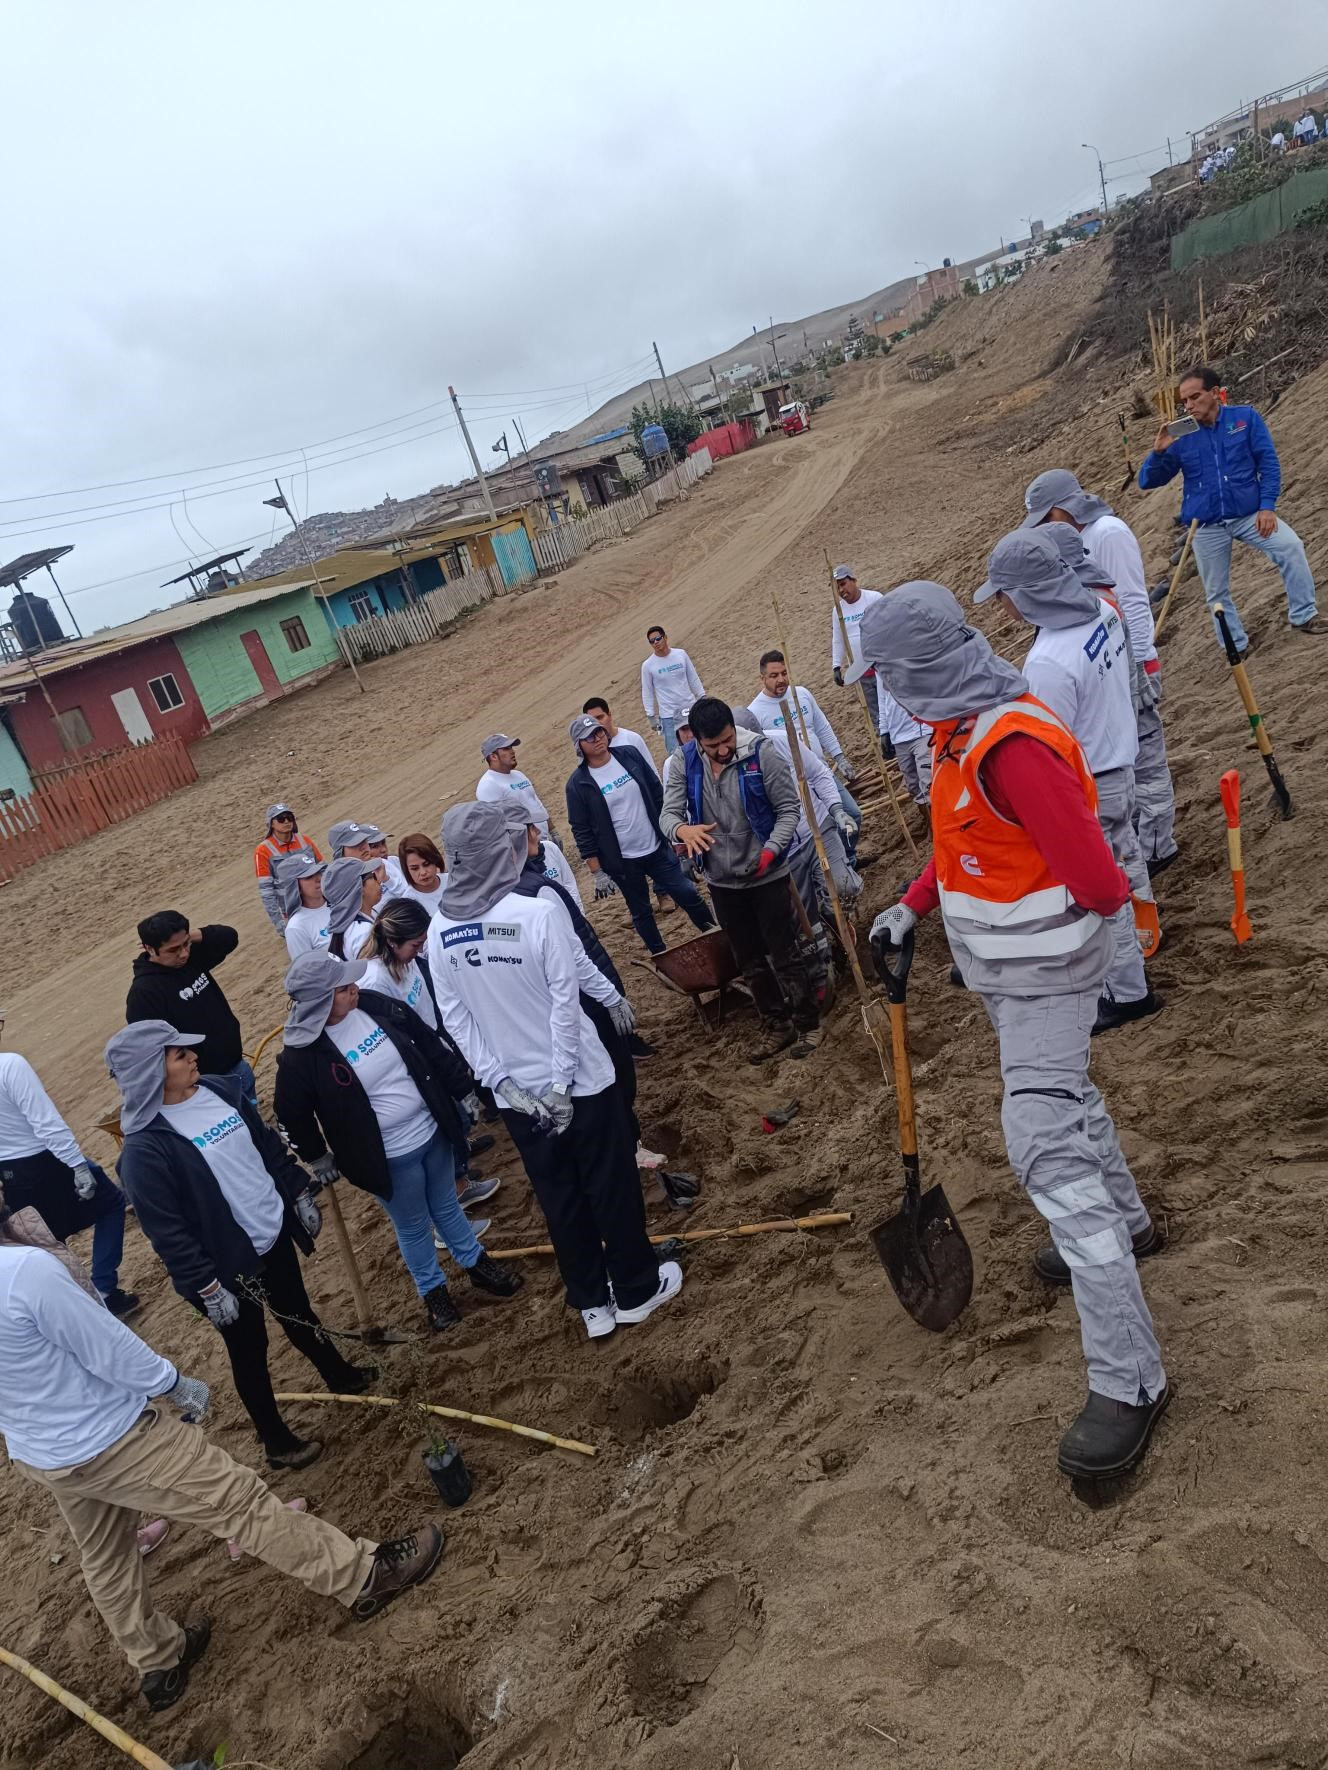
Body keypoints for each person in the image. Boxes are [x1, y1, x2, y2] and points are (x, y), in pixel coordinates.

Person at [862, 582, 1168, 1479]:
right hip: (1007, 978)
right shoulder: (962, 732)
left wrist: (1075, 928)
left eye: (891, 678)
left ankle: (1132, 1377)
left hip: (1046, 979)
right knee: (1069, 1103)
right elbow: (969, 845)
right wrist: (913, 904)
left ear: (922, 670)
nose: (891, 697)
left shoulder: (1014, 746)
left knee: (1045, 1150)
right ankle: (1136, 1226)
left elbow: (1103, 881)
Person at [0, 1227, 441, 1713]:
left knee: (105, 1555)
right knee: (241, 1504)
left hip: (43, 1453)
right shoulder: (25, 1272)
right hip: (112, 1439)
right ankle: (361, 1576)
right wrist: (170, 1382)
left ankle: (158, 1660)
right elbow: (104, 1344)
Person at [427, 802, 681, 1339]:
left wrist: (501, 1083)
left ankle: (591, 1302)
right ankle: (636, 1290)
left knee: (559, 1195)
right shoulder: (534, 911)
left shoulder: (439, 929)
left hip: (519, 1098)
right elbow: (565, 1005)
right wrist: (563, 1082)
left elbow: (457, 1021)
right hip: (580, 1082)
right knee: (610, 1185)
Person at [108, 1020, 375, 1471]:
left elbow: (266, 1144)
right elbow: (168, 1233)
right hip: (227, 1266)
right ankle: (276, 1440)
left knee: (299, 1312)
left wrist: (297, 1191)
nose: (194, 1056)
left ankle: (341, 1376)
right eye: (179, 1055)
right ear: (149, 1072)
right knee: (249, 1350)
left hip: (269, 1233)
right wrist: (207, 1287)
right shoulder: (144, 1152)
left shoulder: (218, 1089)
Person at [274, 953, 523, 1334]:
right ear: (318, 1002)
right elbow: (291, 1114)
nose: (353, 990)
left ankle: (477, 1265)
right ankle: (434, 1294)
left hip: (431, 1130)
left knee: (446, 1204)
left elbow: (428, 1043)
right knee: (412, 1226)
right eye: (342, 989)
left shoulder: (376, 1006)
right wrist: (316, 1155)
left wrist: (462, 1089)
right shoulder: (301, 1057)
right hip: (387, 1156)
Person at [978, 529, 1162, 1033]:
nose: (1000, 608)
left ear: (1025, 594)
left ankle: (1128, 993)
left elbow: (1047, 753)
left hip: (1093, 784)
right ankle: (1147, 938)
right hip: (1120, 761)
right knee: (1127, 862)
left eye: (1003, 596)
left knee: (1100, 896)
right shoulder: (1101, 612)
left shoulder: (1047, 664)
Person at [1022, 467, 1179, 875]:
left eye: (1044, 519)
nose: (1041, 528)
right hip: (1111, 661)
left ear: (1061, 509)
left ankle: (1159, 844)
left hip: (1132, 661)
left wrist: (1142, 665)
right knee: (1129, 754)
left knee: (1145, 757)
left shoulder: (1107, 533)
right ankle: (1144, 840)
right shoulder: (1075, 539)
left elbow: (1132, 600)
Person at [661, 696, 821, 1061]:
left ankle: (808, 1023)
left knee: (785, 952)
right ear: (697, 740)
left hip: (766, 874)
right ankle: (776, 1024)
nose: (723, 749)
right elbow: (667, 815)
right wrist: (682, 831)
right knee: (748, 958)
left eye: (727, 739)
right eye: (713, 744)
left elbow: (788, 809)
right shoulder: (682, 764)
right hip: (722, 880)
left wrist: (771, 850)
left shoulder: (761, 753)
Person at [1138, 364, 1324, 649]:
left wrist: (1267, 507)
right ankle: (1235, 646)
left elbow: (1269, 464)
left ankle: (1304, 615)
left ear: (1215, 393)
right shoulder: (1181, 434)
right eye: (1184, 401)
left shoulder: (1245, 418)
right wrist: (1158, 452)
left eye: (1194, 397)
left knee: (1291, 547)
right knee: (1216, 593)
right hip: (1205, 525)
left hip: (1250, 514)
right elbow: (1148, 481)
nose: (1189, 405)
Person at [355, 900, 504, 1225]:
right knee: (445, 1126)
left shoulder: (406, 962)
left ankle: (460, 1184)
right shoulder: (374, 982)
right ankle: (450, 1200)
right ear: (393, 943)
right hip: (418, 1065)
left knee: (457, 1122)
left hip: (435, 1048)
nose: (420, 950)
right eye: (416, 945)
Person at [0, 1038, 137, 1317]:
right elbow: (45, 1121)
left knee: (49, 1241)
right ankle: (104, 1291)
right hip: (45, 1160)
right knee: (111, 1204)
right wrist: (77, 1164)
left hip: (11, 1173)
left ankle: (81, 1306)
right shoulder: (9, 1065)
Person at [564, 713, 715, 955]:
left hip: (656, 846)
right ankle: (661, 956)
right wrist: (597, 871)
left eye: (599, 732)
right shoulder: (578, 784)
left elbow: (657, 793)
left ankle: (714, 933)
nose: (597, 739)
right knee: (641, 911)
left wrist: (673, 833)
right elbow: (581, 829)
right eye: (589, 738)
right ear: (579, 746)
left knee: (687, 892)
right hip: (623, 861)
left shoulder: (629, 755)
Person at [126, 914, 255, 1105]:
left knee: (254, 1121)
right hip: (203, 1084)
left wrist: (190, 936)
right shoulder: (144, 994)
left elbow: (229, 937)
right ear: (150, 949)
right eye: (173, 950)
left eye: (186, 945)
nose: (184, 953)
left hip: (236, 1066)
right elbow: (150, 1051)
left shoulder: (191, 958)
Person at [747, 649, 862, 856]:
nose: (781, 679)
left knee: (852, 814)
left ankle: (848, 859)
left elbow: (822, 727)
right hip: (794, 783)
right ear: (762, 678)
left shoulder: (801, 694)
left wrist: (840, 757)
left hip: (820, 771)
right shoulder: (755, 712)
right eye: (774, 676)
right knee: (819, 829)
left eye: (784, 673)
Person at [829, 565, 884, 729]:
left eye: (843, 583)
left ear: (853, 580)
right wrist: (836, 666)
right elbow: (838, 638)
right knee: (874, 711)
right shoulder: (838, 610)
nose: (841, 589)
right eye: (837, 586)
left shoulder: (874, 598)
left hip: (882, 665)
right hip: (860, 670)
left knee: (890, 704)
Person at [254, 805, 321, 935]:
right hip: (291, 909)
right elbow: (266, 891)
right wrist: (279, 923)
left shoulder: (304, 840)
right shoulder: (262, 851)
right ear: (271, 824)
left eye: (289, 817)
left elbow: (323, 869)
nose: (286, 821)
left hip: (316, 902)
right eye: (280, 819)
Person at [640, 625, 705, 755]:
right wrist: (651, 716)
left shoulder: (681, 654)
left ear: (665, 637)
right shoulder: (648, 665)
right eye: (652, 641)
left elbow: (693, 678)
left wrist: (702, 696)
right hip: (669, 716)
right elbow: (647, 692)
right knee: (675, 753)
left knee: (701, 743)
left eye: (658, 638)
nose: (656, 643)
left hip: (690, 709)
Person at [474, 734, 553, 836]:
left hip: (545, 838)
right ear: (493, 756)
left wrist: (552, 829)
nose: (513, 751)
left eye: (511, 747)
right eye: (506, 749)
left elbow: (536, 802)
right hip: (526, 846)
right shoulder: (488, 785)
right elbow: (498, 823)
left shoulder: (518, 775)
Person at [323, 856, 381, 959]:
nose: (379, 881)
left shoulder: (340, 925)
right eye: (372, 876)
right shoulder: (363, 934)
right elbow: (377, 974)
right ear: (359, 887)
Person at [582, 697, 659, 774]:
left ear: (609, 715)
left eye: (600, 717)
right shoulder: (590, 751)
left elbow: (652, 771)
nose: (597, 723)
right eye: (593, 721)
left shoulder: (632, 739)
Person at [277, 851, 331, 959]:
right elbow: (307, 971)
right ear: (295, 887)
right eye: (309, 877)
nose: (318, 878)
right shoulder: (296, 928)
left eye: (318, 872)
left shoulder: (340, 902)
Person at [397, 832, 448, 913]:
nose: (423, 872)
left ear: (435, 860)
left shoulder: (452, 881)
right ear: (407, 870)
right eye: (415, 868)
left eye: (426, 864)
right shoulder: (407, 905)